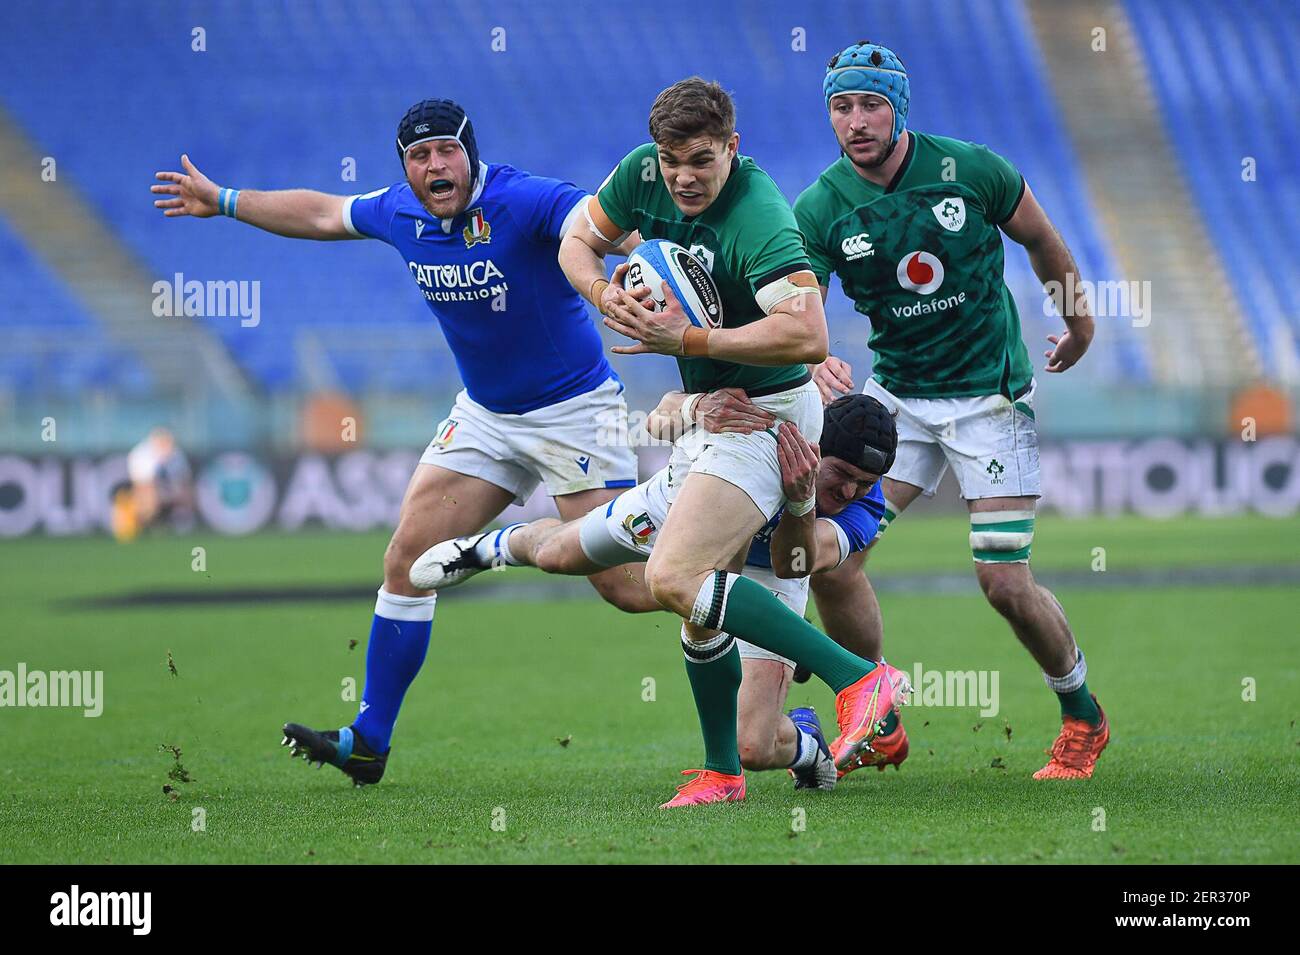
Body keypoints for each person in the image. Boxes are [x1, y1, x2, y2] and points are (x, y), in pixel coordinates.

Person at [152, 98, 655, 785]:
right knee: (408, 560)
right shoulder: (399, 210)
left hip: (575, 411)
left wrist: (645, 258)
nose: (435, 165)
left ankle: (753, 609)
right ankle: (369, 739)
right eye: (419, 156)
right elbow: (323, 212)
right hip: (485, 415)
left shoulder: (527, 199)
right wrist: (226, 199)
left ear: (470, 154)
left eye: (447, 150)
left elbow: (592, 222)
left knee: (627, 585)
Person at [553, 77, 899, 806]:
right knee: (692, 596)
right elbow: (576, 240)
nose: (683, 177)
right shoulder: (641, 176)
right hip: (710, 418)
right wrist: (602, 293)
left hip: (767, 419)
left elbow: (810, 334)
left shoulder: (761, 218)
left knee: (672, 577)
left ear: (732, 149)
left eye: (702, 161)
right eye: (671, 160)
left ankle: (858, 677)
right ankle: (723, 773)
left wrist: (687, 338)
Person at [795, 42, 1108, 779]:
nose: (857, 120)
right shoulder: (821, 206)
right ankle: (873, 707)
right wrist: (812, 358)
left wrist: (1082, 321)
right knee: (828, 558)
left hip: (991, 395)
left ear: (899, 108)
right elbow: (798, 302)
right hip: (898, 400)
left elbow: (1040, 238)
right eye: (842, 106)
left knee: (1003, 581)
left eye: (871, 103)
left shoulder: (970, 169)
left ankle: (1082, 711)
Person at [415, 392, 910, 791]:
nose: (850, 492)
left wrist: (802, 503)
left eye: (864, 483)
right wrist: (696, 408)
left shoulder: (864, 508)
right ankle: (488, 548)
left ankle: (806, 743)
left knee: (754, 748)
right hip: (676, 509)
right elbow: (659, 418)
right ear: (816, 444)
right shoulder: (775, 420)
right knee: (555, 556)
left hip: (770, 573)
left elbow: (792, 562)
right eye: (842, 475)